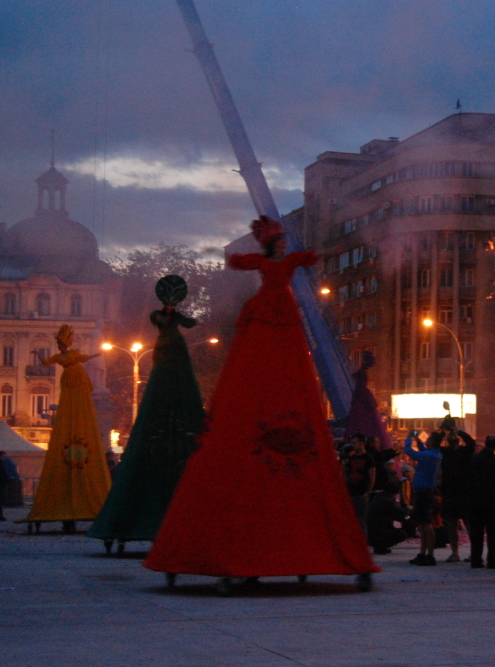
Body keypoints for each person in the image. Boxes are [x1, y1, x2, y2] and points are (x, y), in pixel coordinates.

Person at [144, 216, 377, 586]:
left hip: (279, 310)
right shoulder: (269, 264)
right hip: (269, 308)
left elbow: (301, 258)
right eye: (279, 241)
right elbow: (244, 262)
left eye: (284, 242)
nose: (284, 246)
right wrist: (234, 256)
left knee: (282, 360)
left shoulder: (284, 263)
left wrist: (310, 253)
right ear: (270, 244)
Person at [88, 275, 207, 550]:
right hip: (165, 354)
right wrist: (171, 313)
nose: (169, 304)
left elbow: (188, 323)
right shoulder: (160, 316)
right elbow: (160, 321)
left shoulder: (176, 318)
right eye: (167, 299)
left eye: (172, 299)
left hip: (176, 356)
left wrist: (192, 320)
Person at [22, 325, 111, 533]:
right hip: (70, 380)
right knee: (70, 402)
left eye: (63, 343)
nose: (61, 345)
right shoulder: (60, 358)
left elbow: (86, 358)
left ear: (66, 343)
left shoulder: (73, 355)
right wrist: (36, 353)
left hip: (77, 378)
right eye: (60, 343)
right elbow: (46, 362)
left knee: (80, 400)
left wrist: (98, 353)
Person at [404, 430, 443, 566]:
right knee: (422, 523)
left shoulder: (429, 456)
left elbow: (409, 451)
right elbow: (422, 451)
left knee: (425, 524)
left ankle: (429, 555)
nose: (426, 440)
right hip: (425, 491)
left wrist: (409, 437)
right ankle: (423, 553)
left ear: (432, 442)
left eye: (428, 439)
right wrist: (419, 441)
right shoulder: (434, 454)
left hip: (423, 493)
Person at [467, 434, 495, 569]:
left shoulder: (474, 460)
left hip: (475, 500)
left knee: (476, 531)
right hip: (492, 501)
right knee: (492, 532)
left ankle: (476, 559)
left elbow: (468, 480)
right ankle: (492, 560)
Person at [439, 428, 475, 563]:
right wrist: (459, 431)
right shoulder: (464, 452)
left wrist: (443, 430)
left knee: (453, 525)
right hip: (463, 492)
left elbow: (435, 444)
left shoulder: (445, 452)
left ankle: (455, 552)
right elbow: (471, 442)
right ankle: (473, 552)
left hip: (450, 492)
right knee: (467, 523)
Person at [344, 351, 391, 448]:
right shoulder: (362, 373)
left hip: (360, 397)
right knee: (368, 420)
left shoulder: (361, 373)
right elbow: (360, 386)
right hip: (362, 397)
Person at [342, 434, 376, 537]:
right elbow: (345, 472)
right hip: (351, 491)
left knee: (361, 520)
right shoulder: (352, 458)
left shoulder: (368, 458)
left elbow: (372, 476)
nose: (353, 445)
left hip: (361, 493)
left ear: (362, 444)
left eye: (354, 443)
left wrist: (367, 492)